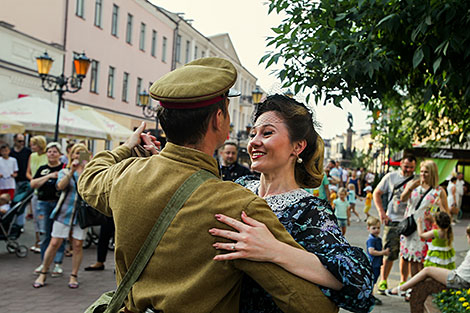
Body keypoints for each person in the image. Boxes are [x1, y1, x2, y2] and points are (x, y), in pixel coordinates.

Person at [78, 57, 337, 313]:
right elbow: (313, 305)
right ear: (218, 119)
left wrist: (126, 148)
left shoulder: (126, 175)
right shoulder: (237, 205)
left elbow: (90, 178)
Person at [210, 95, 374, 312]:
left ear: (297, 147)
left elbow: (360, 283)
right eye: (253, 134)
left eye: (267, 133)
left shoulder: (310, 211)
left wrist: (274, 250)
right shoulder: (239, 186)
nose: (254, 142)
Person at [33, 144, 90, 288]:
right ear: (71, 155)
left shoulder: (89, 172)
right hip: (64, 212)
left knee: (77, 245)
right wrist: (72, 171)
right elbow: (60, 186)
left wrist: (86, 167)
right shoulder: (64, 171)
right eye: (77, 153)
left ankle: (74, 275)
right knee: (54, 243)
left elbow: (90, 188)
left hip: (81, 214)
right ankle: (44, 272)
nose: (78, 156)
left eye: (82, 153)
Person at [386, 224, 470, 313]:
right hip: (459, 277)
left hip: (459, 280)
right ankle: (406, 289)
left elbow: (422, 235)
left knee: (427, 270)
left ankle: (401, 289)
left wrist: (419, 223)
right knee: (428, 277)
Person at [373, 154, 417, 294]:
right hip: (392, 220)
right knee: (390, 252)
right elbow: (377, 193)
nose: (408, 170)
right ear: (400, 165)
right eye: (405, 167)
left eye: (411, 168)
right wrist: (381, 212)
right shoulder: (391, 177)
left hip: (410, 221)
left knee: (406, 254)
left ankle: (403, 282)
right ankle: (383, 281)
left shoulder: (416, 180)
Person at [400, 160, 450, 277]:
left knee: (423, 261)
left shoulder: (439, 191)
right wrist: (409, 189)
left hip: (426, 229)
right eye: (421, 171)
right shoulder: (414, 185)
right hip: (411, 226)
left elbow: (446, 214)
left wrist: (434, 217)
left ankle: (421, 289)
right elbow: (403, 199)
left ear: (432, 173)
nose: (423, 174)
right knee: (411, 259)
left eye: (426, 172)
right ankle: (413, 289)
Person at [30, 142, 65, 278]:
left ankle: (58, 263)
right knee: (45, 235)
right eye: (49, 151)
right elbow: (33, 184)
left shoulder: (63, 168)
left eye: (55, 152)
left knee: (58, 235)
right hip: (43, 204)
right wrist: (48, 177)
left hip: (59, 204)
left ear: (60, 154)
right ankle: (45, 263)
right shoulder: (42, 168)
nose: (52, 154)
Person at [26, 135, 48, 253]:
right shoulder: (32, 156)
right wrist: (33, 180)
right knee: (36, 218)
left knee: (44, 218)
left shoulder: (47, 156)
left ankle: (44, 241)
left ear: (40, 145)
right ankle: (37, 240)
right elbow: (28, 172)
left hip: (45, 190)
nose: (31, 146)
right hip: (35, 190)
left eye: (33, 144)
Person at [366, 216, 390, 305]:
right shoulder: (371, 240)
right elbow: (371, 251)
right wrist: (383, 252)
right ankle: (369, 296)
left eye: (378, 228)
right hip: (372, 264)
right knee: (372, 280)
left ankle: (370, 295)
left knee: (374, 280)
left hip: (377, 264)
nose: (376, 230)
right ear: (368, 228)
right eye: (374, 228)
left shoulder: (377, 239)